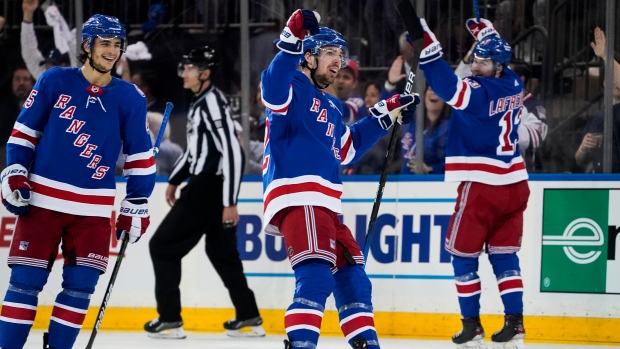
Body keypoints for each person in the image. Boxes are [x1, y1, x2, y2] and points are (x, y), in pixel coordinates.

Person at [262, 9, 418, 349]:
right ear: (308, 55)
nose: (339, 61)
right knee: (316, 275)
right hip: (299, 196)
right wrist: (290, 37)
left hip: (326, 206)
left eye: (341, 54)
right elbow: (272, 90)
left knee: (353, 280)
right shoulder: (291, 86)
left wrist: (385, 113)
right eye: (331, 53)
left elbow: (346, 149)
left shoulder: (331, 106)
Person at [0, 14, 156, 349]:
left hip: (94, 210)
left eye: (117, 44)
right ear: (87, 45)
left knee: (81, 287)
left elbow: (140, 156)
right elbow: (23, 133)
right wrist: (15, 171)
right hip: (41, 202)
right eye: (105, 43)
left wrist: (137, 201)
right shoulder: (54, 80)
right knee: (25, 284)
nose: (112, 51)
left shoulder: (130, 97)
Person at [417, 17, 529, 348]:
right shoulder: (513, 82)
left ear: (498, 67)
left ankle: (472, 326)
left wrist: (429, 49)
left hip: (483, 185)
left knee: (463, 255)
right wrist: (486, 35)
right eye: (476, 59)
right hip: (515, 183)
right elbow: (492, 61)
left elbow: (448, 87)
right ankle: (515, 324)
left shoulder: (480, 93)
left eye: (484, 62)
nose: (476, 66)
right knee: (505, 255)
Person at [144, 45, 264, 339]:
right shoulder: (203, 101)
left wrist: (230, 202)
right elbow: (198, 152)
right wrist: (175, 178)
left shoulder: (211, 103)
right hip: (208, 186)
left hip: (208, 189)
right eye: (183, 67)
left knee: (161, 246)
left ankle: (169, 319)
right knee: (221, 252)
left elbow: (233, 152)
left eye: (189, 68)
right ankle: (249, 316)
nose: (183, 72)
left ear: (205, 73)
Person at [455, 44, 548, 172]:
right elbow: (457, 87)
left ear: (520, 79)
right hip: (482, 171)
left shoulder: (533, 106)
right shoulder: (489, 96)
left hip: (518, 176)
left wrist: (499, 124)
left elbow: (535, 138)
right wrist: (472, 51)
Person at [574, 27, 620, 173]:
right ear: (605, 83)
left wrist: (606, 56)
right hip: (601, 182)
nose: (615, 82)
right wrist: (583, 148)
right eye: (610, 79)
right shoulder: (599, 117)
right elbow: (579, 160)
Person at [400, 86, 451, 175]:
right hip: (403, 183)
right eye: (431, 89)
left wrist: (430, 169)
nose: (433, 93)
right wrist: (390, 85)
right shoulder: (410, 120)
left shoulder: (450, 128)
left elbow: (456, 161)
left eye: (438, 90)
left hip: (432, 184)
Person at [333, 60, 366, 124]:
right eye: (337, 76)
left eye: (346, 77)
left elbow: (345, 111)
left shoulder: (358, 101)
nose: (341, 81)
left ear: (354, 83)